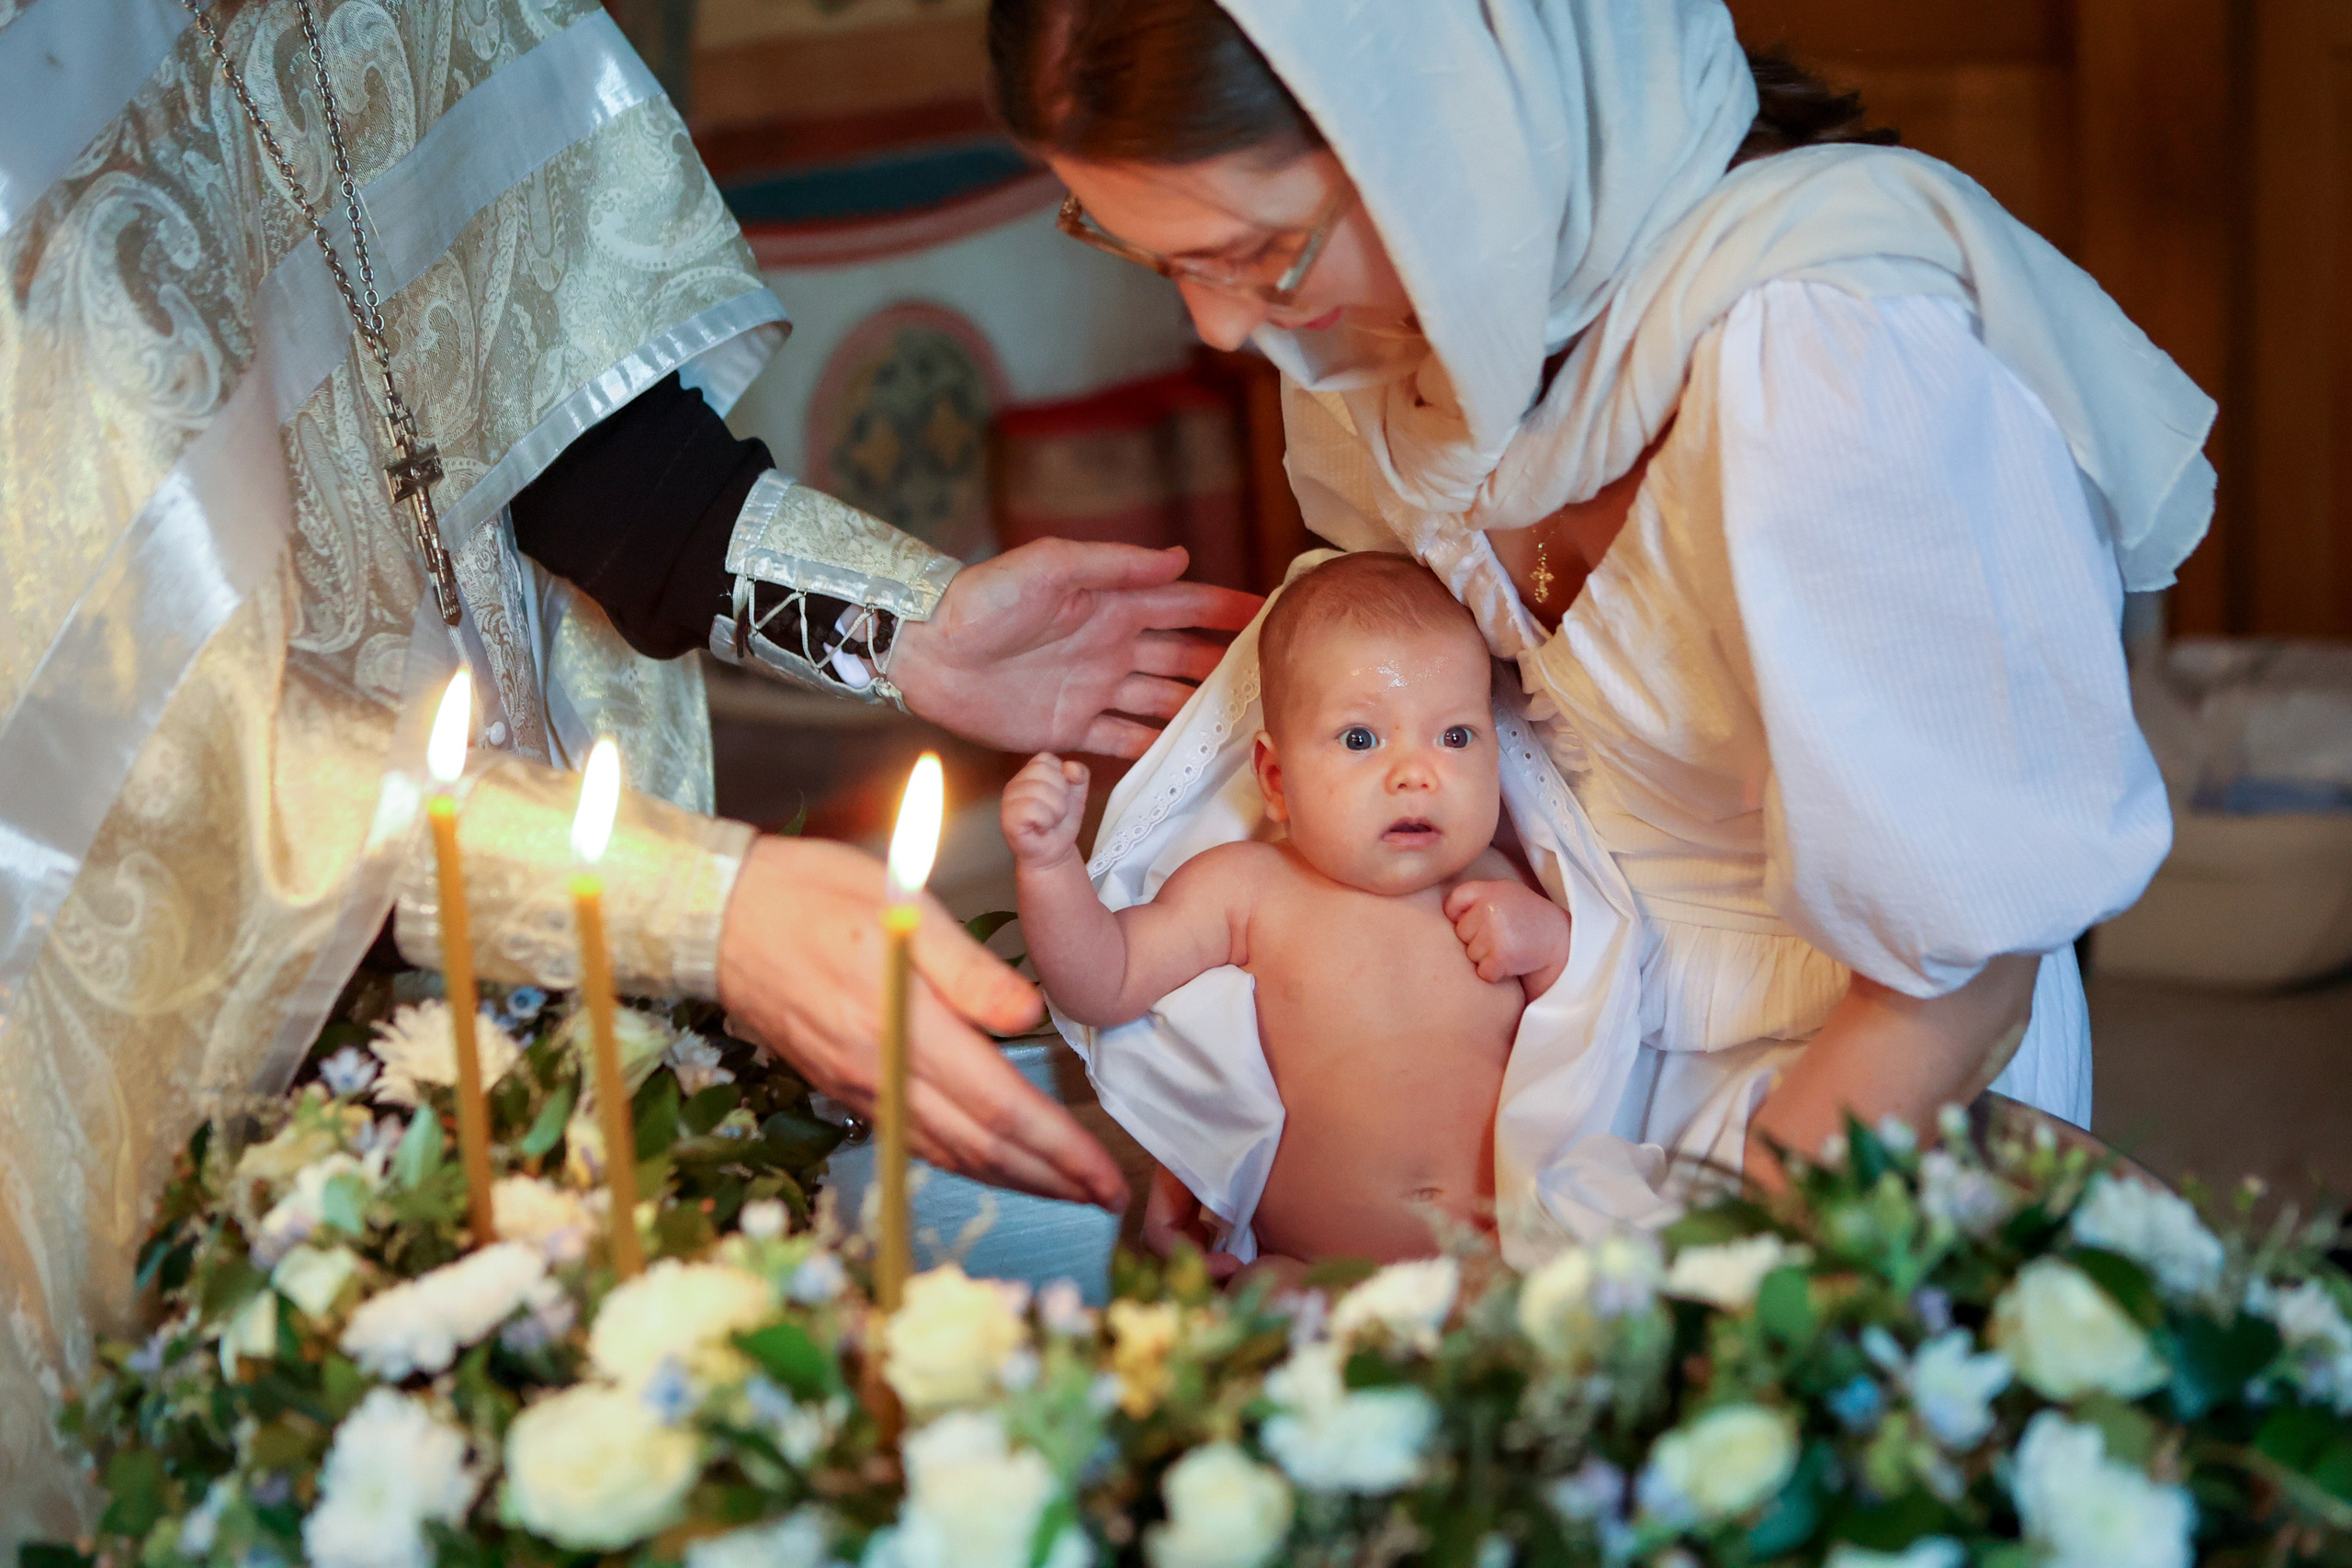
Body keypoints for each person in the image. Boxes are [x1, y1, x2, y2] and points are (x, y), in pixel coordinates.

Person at [0, 0, 1251, 1540]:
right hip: (165, 1042)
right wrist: (708, 910)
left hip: (546, 967)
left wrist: (902, 626)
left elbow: (532, 401)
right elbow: (166, 771)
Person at [987, 0, 2211, 1262]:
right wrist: (1266, 1094)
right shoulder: (1373, 353)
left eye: (1263, 251)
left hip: (1864, 1076)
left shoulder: (1829, 363)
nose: (1221, 326)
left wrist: (1723, 1271)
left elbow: (1965, 969)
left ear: (1446, 126)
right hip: (1558, 1050)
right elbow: (1441, 743)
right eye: (1155, 255)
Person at [1005, 555, 1570, 1266]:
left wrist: (1550, 947)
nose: (1416, 772)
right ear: (1276, 778)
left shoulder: (1507, 888)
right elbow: (1104, 982)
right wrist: (1051, 864)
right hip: (1312, 1276)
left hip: (1493, 1265)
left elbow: (1588, 1036)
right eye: (1361, 738)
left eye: (1455, 736)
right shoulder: (1252, 890)